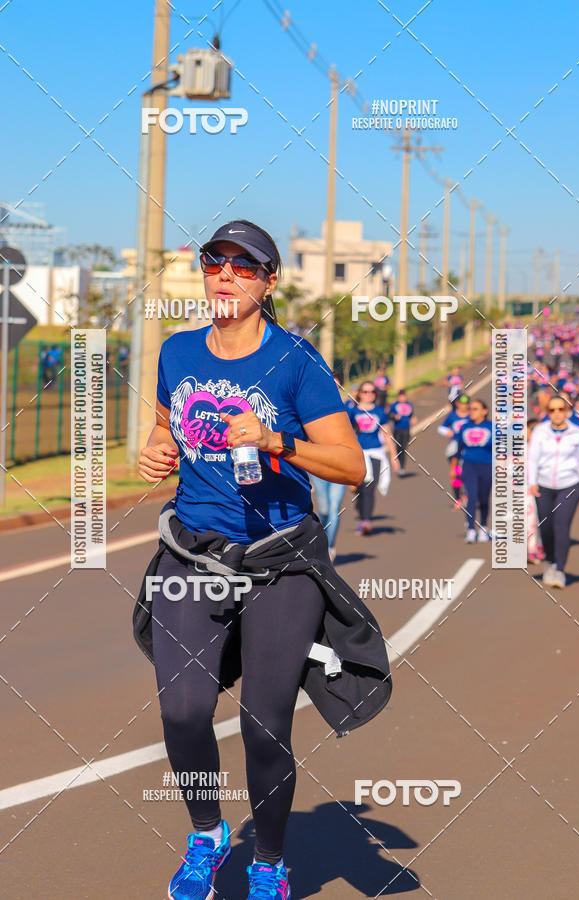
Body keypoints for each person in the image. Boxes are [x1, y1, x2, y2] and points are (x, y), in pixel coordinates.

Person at [137, 220, 390, 900]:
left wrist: (277, 439)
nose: (225, 274)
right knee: (184, 710)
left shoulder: (297, 363)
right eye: (214, 261)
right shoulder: (178, 351)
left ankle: (270, 862)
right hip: (194, 555)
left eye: (243, 266)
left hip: (279, 562)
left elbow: (351, 465)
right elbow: (167, 429)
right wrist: (155, 453)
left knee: (263, 722)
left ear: (268, 282)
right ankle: (206, 835)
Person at [528, 396, 579, 587]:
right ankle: (551, 561)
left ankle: (560, 569)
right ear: (548, 413)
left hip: (569, 485)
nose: (556, 413)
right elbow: (532, 458)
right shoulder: (540, 431)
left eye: (561, 409)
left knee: (562, 527)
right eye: (552, 410)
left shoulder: (577, 433)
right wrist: (531, 482)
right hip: (544, 486)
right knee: (546, 528)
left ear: (567, 412)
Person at [347, 380, 399, 534]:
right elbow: (346, 434)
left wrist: (394, 456)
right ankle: (361, 509)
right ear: (359, 393)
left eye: (372, 392)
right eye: (365, 391)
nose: (369, 395)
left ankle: (366, 521)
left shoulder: (380, 411)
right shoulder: (353, 412)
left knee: (370, 487)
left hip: (376, 453)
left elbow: (387, 434)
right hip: (358, 454)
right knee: (359, 487)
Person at [309, 372, 347, 561]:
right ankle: (322, 541)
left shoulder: (349, 410)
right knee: (323, 510)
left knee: (334, 508)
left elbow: (358, 440)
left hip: (340, 466)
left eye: (337, 386)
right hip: (319, 467)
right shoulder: (311, 407)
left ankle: (329, 548)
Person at [455, 398, 493, 543]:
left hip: (487, 466)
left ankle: (483, 527)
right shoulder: (464, 427)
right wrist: (454, 468)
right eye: (471, 409)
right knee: (471, 497)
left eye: (475, 409)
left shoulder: (491, 427)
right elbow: (458, 449)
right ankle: (471, 529)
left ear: (484, 411)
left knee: (484, 498)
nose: (472, 412)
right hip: (469, 465)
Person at [438, 394, 470, 507]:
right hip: (454, 448)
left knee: (466, 472)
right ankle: (457, 497)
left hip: (468, 448)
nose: (464, 406)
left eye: (466, 403)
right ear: (457, 404)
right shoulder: (452, 416)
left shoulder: (471, 416)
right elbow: (441, 428)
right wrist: (448, 432)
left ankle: (466, 494)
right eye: (462, 403)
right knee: (455, 473)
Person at [526, 419, 545, 563]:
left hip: (543, 488)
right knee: (530, 519)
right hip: (526, 489)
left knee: (541, 518)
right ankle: (532, 548)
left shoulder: (543, 450)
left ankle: (540, 545)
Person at [388, 388, 417, 476]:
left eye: (404, 396)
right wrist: (394, 417)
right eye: (401, 396)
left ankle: (402, 468)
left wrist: (413, 418)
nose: (402, 398)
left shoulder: (409, 405)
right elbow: (389, 414)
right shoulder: (394, 405)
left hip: (406, 429)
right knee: (397, 448)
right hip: (397, 429)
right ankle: (397, 464)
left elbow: (411, 414)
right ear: (398, 397)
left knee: (404, 448)